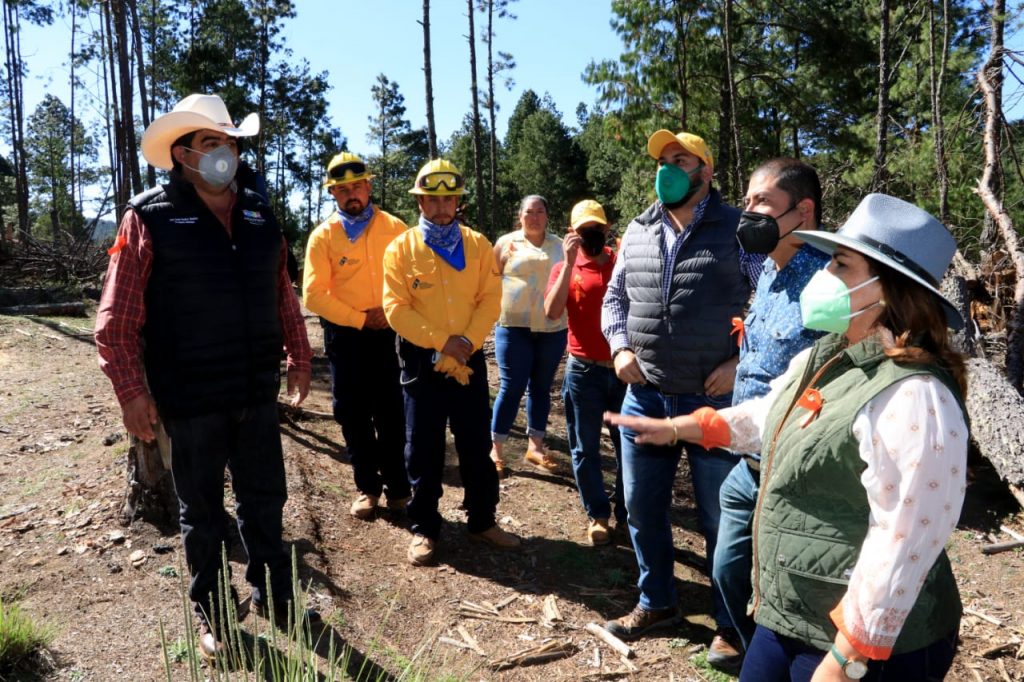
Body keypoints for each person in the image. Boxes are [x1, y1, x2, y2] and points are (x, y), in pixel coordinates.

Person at [608, 193, 968, 682]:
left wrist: (848, 656)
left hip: (868, 645)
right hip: (790, 614)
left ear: (889, 288)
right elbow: (770, 414)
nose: (825, 275)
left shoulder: (915, 395)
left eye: (840, 263)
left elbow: (907, 535)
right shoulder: (832, 352)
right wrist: (682, 427)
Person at [94, 94, 319, 658]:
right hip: (189, 396)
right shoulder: (147, 217)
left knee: (265, 497)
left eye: (231, 143)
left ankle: (275, 595)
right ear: (182, 155)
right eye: (212, 143)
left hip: (254, 388)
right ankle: (216, 612)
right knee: (201, 511)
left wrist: (300, 354)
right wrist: (131, 393)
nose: (226, 153)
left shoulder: (261, 213)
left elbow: (282, 292)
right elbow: (116, 320)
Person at [600, 130, 762, 645]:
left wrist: (742, 360)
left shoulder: (738, 229)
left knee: (721, 518)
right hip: (646, 396)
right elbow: (615, 298)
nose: (667, 168)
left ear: (706, 171)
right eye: (662, 160)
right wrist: (620, 347)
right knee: (642, 508)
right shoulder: (640, 228)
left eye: (680, 159)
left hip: (712, 400)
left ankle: (730, 622)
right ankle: (657, 601)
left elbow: (771, 297)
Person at [707, 158, 831, 670]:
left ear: (802, 212)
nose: (747, 211)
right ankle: (751, 645)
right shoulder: (772, 272)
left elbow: (831, 381)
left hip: (792, 472)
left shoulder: (827, 284)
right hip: (750, 461)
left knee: (786, 588)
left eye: (762, 202)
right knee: (728, 569)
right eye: (748, 199)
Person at [382, 158, 522, 567]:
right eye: (433, 199)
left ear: (458, 200)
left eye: (449, 198)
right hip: (422, 361)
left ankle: (482, 520)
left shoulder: (477, 245)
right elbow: (395, 307)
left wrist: (467, 342)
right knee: (422, 448)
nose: (442, 207)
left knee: (476, 443)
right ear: (420, 201)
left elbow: (489, 298)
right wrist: (442, 341)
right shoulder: (400, 249)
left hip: (468, 360)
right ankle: (425, 528)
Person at [303, 152, 411, 520]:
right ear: (333, 194)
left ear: (369, 186)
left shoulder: (396, 229)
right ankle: (368, 488)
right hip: (345, 336)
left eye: (357, 187)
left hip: (389, 333)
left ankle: (399, 489)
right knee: (351, 413)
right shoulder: (323, 236)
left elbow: (411, 279)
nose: (352, 195)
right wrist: (359, 319)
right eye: (342, 189)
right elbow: (313, 294)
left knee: (392, 412)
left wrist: (387, 310)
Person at [544, 199, 626, 546]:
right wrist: (567, 263)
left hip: (624, 369)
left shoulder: (622, 259)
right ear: (572, 233)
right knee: (584, 447)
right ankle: (598, 515)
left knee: (629, 448)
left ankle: (626, 513)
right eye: (582, 230)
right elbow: (550, 312)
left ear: (606, 229)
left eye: (596, 228)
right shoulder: (565, 266)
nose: (590, 234)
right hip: (584, 371)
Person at [489, 195, 568, 474]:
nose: (534, 217)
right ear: (520, 216)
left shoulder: (561, 246)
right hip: (513, 328)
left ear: (547, 215)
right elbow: (491, 278)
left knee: (541, 387)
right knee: (511, 387)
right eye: (529, 212)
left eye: (540, 212)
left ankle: (535, 447)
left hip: (552, 328)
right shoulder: (505, 243)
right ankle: (496, 449)